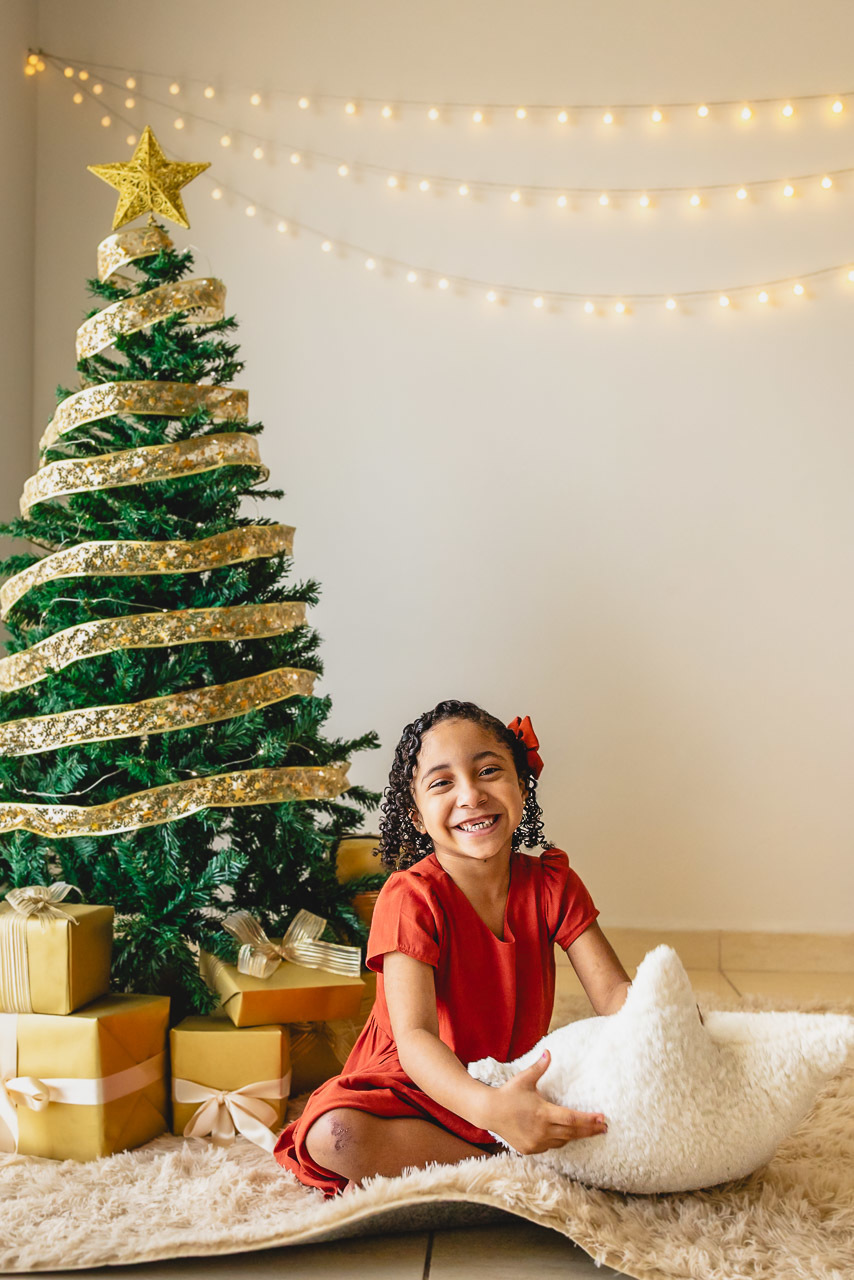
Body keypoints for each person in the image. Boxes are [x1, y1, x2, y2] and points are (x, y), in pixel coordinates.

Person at [274, 698, 635, 1196]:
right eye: (442, 782)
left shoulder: (552, 884)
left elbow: (614, 992)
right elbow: (416, 1039)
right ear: (417, 815)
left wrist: (661, 1019)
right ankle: (513, 1154)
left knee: (618, 1095)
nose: (471, 795)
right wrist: (489, 1110)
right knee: (333, 1137)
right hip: (417, 1084)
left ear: (521, 787)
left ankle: (515, 1136)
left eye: (489, 771)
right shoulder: (411, 897)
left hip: (507, 1076)